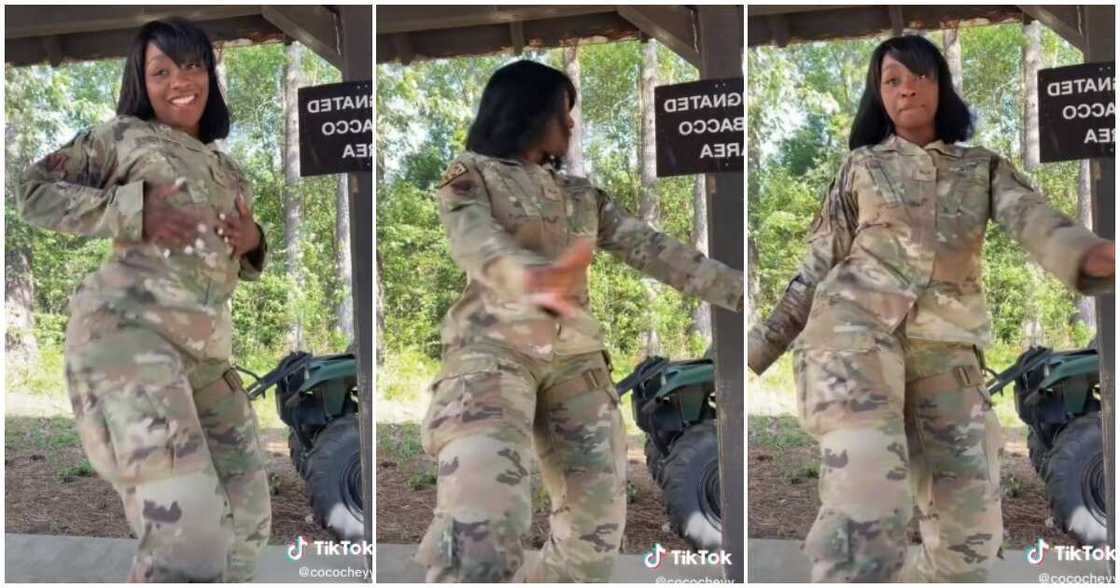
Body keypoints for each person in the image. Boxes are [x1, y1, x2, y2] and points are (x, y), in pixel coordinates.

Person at [748, 35, 1115, 582]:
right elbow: (815, 266)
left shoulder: (982, 167)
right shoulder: (861, 168)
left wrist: (1089, 255)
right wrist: (755, 349)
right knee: (866, 504)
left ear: (940, 86)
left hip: (948, 352)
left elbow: (1032, 217)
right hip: (853, 337)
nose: (906, 88)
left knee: (970, 535)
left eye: (918, 75)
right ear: (879, 97)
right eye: (891, 81)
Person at [415, 59, 743, 582]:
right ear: (527, 112)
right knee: (484, 515)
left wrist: (740, 291)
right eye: (563, 113)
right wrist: (534, 279)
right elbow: (475, 242)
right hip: (492, 353)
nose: (570, 126)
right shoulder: (471, 173)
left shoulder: (580, 196)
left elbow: (651, 248)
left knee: (595, 531)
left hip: (576, 364)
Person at [18, 19, 270, 582]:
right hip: (130, 339)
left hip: (206, 359)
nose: (180, 81)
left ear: (210, 74)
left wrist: (254, 242)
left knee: (247, 521)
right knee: (186, 531)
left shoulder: (229, 168)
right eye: (161, 71)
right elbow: (31, 192)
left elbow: (236, 259)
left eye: (193, 66)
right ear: (142, 80)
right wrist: (133, 209)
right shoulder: (121, 137)